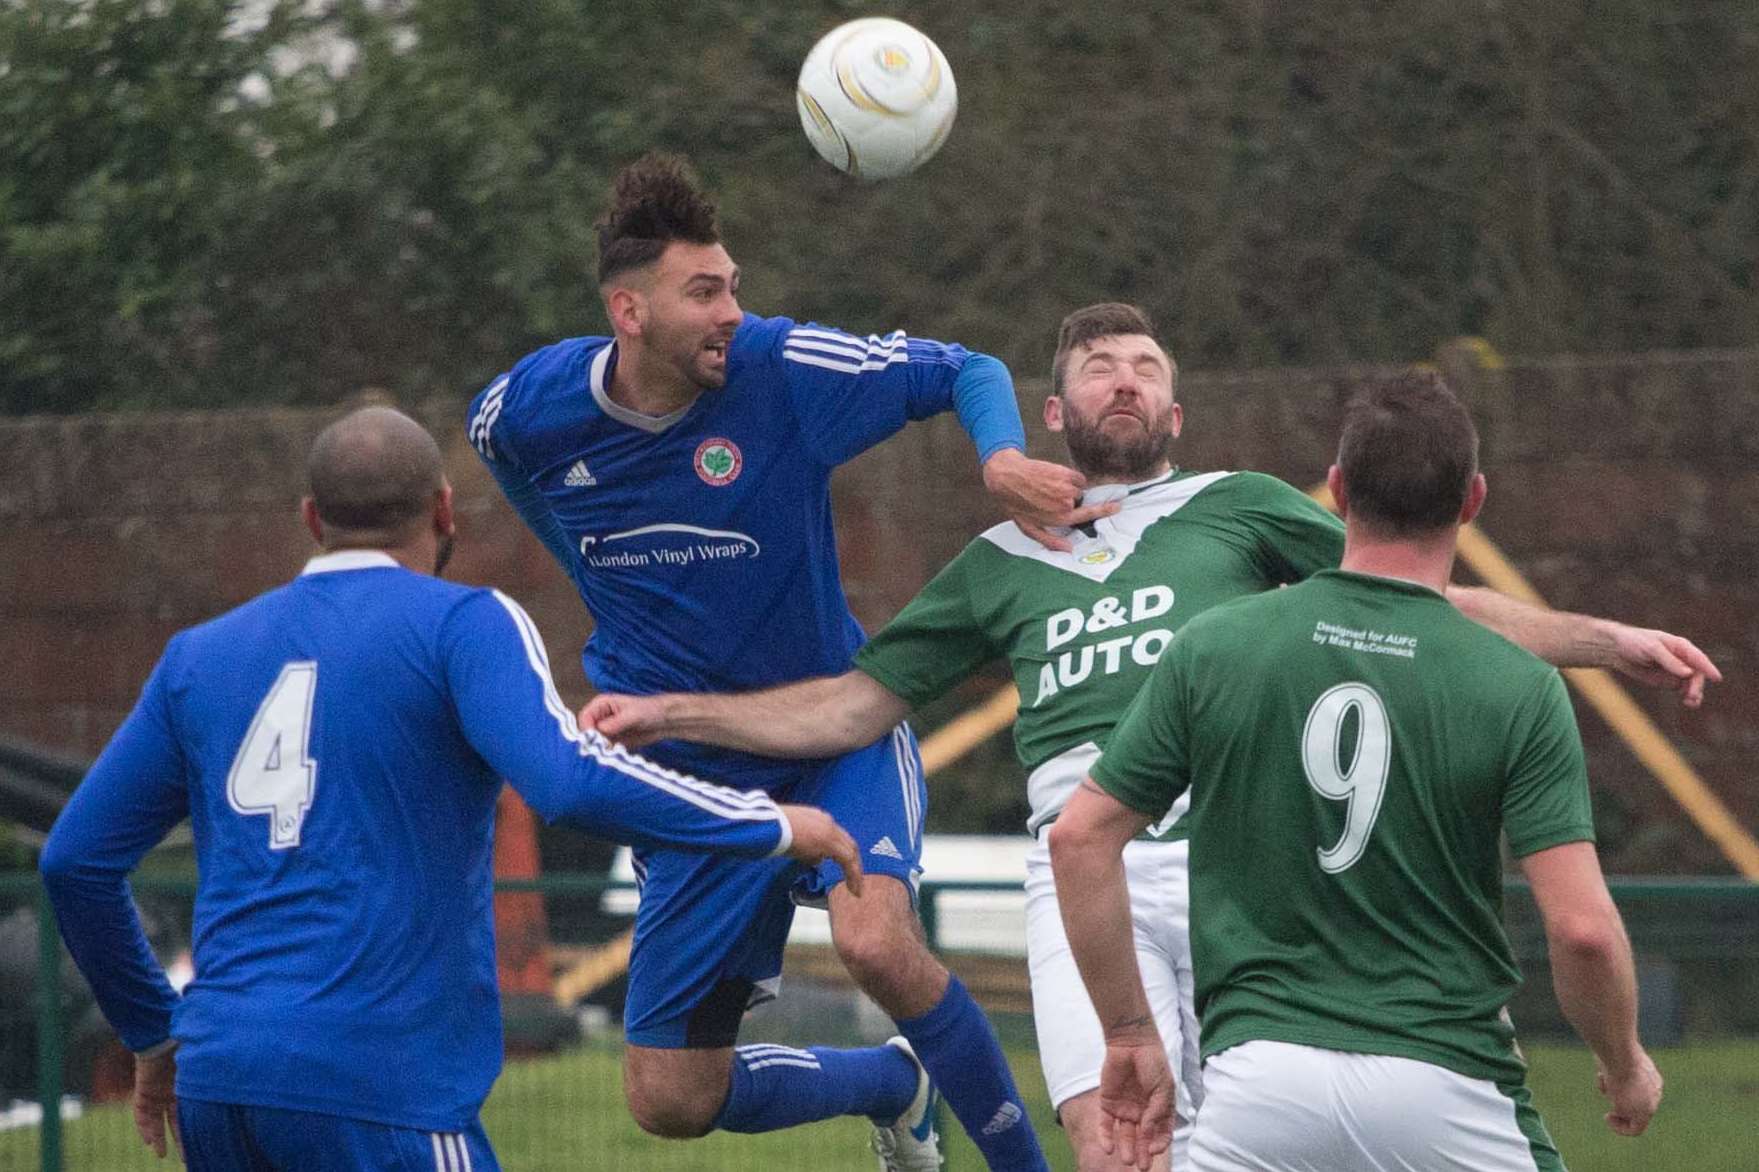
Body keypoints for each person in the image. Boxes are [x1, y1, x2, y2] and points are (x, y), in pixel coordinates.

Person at [578, 304, 1716, 1171]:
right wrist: (677, 715)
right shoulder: (994, 564)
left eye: (1147, 368)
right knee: (1119, 1142)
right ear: (1056, 415)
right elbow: (848, 707)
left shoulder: (1239, 503)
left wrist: (1602, 639)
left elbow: (1419, 597)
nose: (1123, 378)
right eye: (1095, 368)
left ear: (1173, 417)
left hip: (1240, 867)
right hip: (1082, 871)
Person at [38, 406, 867, 1172]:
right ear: (444, 513)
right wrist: (766, 821)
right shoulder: (462, 624)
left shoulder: (198, 656)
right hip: (380, 1083)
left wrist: (151, 1030)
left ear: (311, 519)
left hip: (223, 1086)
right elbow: (568, 782)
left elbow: (74, 862)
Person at [465, 153, 1088, 1171]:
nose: (731, 310)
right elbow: (489, 441)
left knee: (875, 942)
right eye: (703, 290)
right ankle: (892, 1081)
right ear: (628, 310)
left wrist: (1000, 458)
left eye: (733, 285)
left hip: (826, 729)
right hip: (688, 769)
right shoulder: (533, 405)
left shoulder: (782, 368)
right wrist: (580, 550)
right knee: (670, 1097)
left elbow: (960, 368)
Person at [1050, 370, 1666, 1171]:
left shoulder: (1214, 644)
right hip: (1447, 1086)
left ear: (1336, 491)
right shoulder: (1516, 684)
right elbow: (1582, 931)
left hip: (1257, 1088)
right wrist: (1625, 1067)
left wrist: (1130, 1032)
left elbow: (1077, 839)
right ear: (1472, 500)